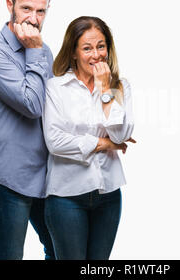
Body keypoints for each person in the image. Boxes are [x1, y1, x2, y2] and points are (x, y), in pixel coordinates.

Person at [0, 0, 55, 260]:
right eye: (26, 8)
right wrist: (35, 52)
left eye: (41, 10)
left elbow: (55, 108)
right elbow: (32, 105)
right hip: (9, 177)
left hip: (46, 176)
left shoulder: (45, 51)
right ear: (10, 5)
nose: (34, 18)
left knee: (62, 252)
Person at [42, 16, 135, 260]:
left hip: (108, 196)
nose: (96, 54)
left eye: (101, 46)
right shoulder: (55, 88)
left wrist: (106, 90)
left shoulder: (120, 87)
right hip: (66, 197)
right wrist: (102, 143)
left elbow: (121, 134)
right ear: (73, 52)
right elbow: (55, 142)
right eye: (87, 48)